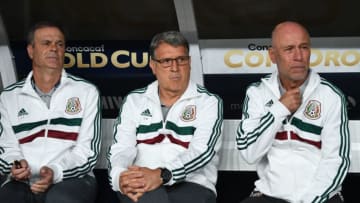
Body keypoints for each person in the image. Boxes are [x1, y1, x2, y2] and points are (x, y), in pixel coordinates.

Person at [236, 21, 350, 203]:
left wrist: (312, 199)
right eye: (289, 49)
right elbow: (249, 153)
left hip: (321, 198)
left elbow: (336, 160)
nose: (298, 56)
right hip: (270, 196)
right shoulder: (257, 93)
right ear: (273, 55)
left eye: (303, 47)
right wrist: (279, 109)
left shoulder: (331, 96)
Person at [108, 31, 223, 203]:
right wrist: (120, 177)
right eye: (166, 61)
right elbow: (122, 148)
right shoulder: (135, 100)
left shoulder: (209, 102)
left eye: (181, 60)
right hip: (140, 181)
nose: (175, 68)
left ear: (190, 62)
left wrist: (163, 174)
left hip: (192, 185)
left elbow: (202, 152)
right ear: (153, 66)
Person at [0, 21, 102, 203]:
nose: (54, 48)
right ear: (31, 51)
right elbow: (7, 148)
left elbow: (87, 152)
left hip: (72, 178)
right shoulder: (8, 97)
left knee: (60, 199)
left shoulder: (86, 91)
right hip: (22, 180)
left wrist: (55, 171)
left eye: (59, 44)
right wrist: (15, 166)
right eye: (46, 43)